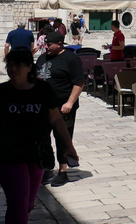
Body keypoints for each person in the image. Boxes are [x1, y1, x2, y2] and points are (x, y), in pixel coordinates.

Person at [0, 49, 78, 224]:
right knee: (18, 203)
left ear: (29, 67)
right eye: (9, 64)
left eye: (17, 64)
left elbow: (56, 119)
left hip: (37, 154)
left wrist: (69, 146)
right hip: (7, 154)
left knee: (29, 204)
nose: (12, 68)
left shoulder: (43, 90)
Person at [35, 31, 84, 186]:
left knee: (62, 138)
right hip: (43, 106)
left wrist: (69, 103)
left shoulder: (71, 59)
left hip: (63, 106)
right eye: (45, 44)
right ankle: (47, 167)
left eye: (49, 45)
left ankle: (63, 171)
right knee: (42, 137)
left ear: (59, 44)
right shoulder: (43, 58)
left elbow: (78, 83)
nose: (46, 47)